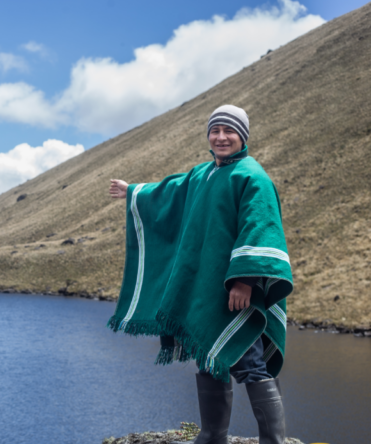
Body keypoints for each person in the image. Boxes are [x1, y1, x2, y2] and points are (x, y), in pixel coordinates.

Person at [108, 105, 292, 444]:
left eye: (229, 131)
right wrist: (133, 190)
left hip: (236, 289)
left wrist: (245, 281)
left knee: (249, 362)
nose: (221, 137)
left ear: (243, 136)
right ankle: (212, 435)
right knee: (208, 356)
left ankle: (274, 441)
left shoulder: (252, 176)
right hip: (207, 289)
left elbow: (261, 227)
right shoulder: (203, 174)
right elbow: (170, 192)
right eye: (215, 131)